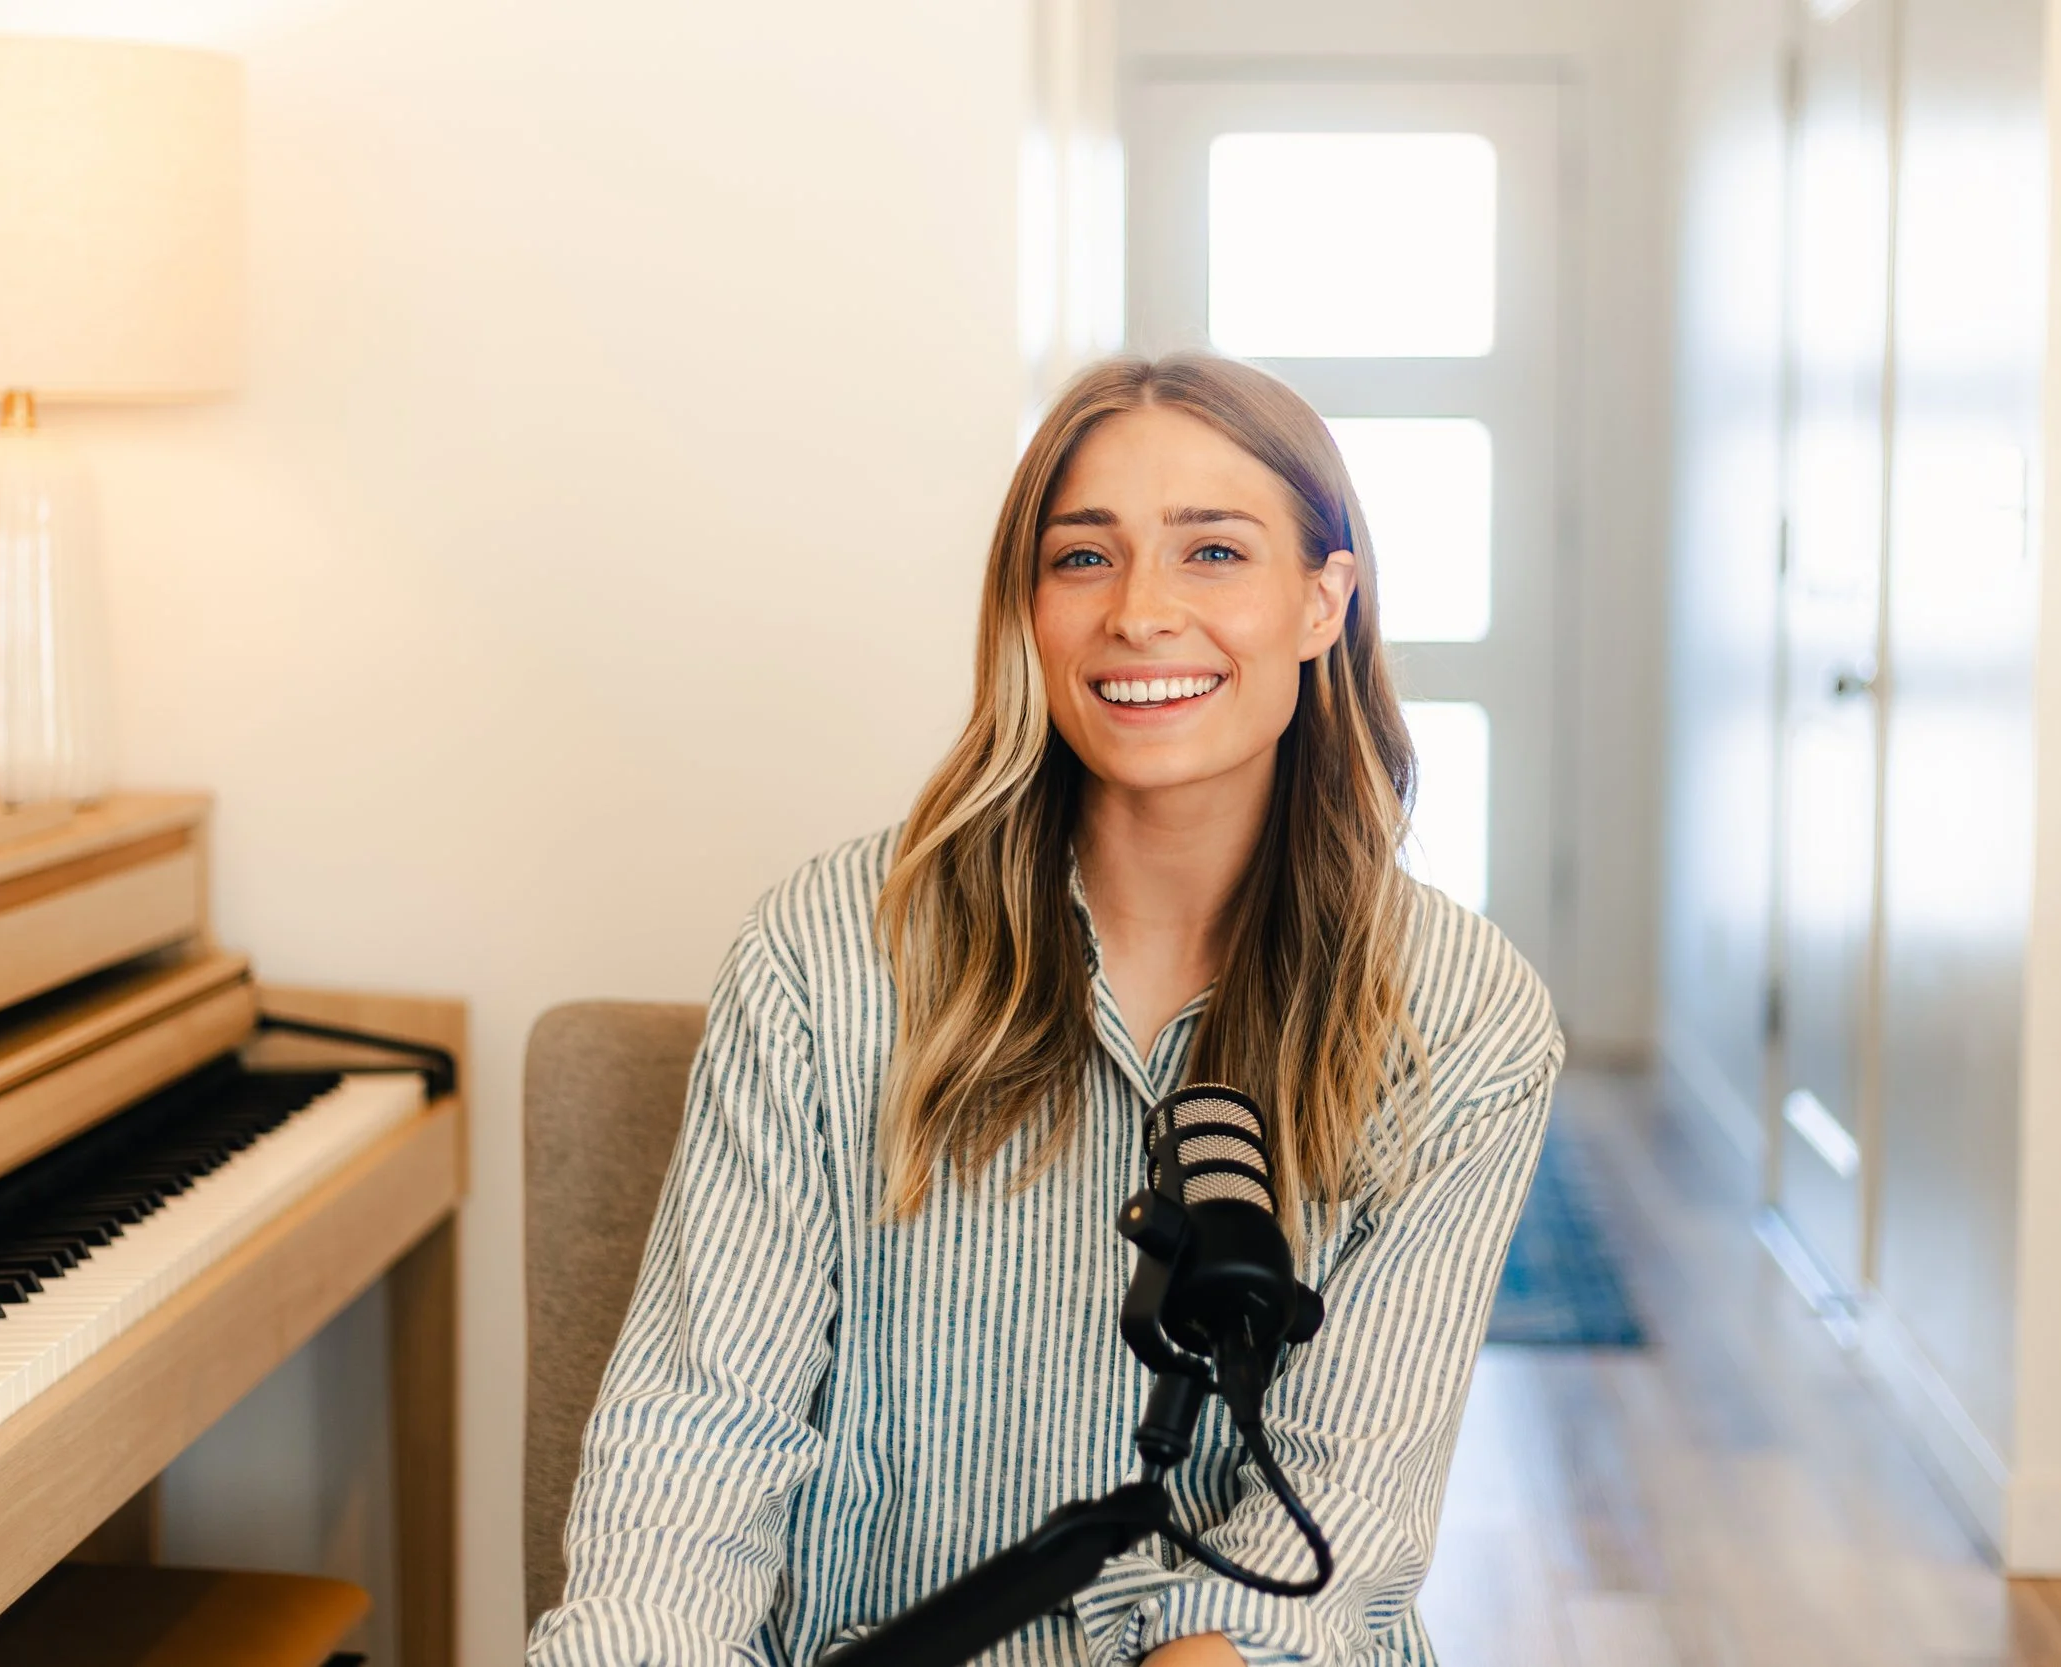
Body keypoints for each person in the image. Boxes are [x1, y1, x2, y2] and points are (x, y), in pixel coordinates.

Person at [526, 354, 1563, 1666]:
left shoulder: (1462, 1020)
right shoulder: (828, 948)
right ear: (1028, 609)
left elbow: (1344, 1502)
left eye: (1214, 552)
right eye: (1084, 558)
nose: (1141, 611)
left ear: (1322, 599)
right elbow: (696, 1440)